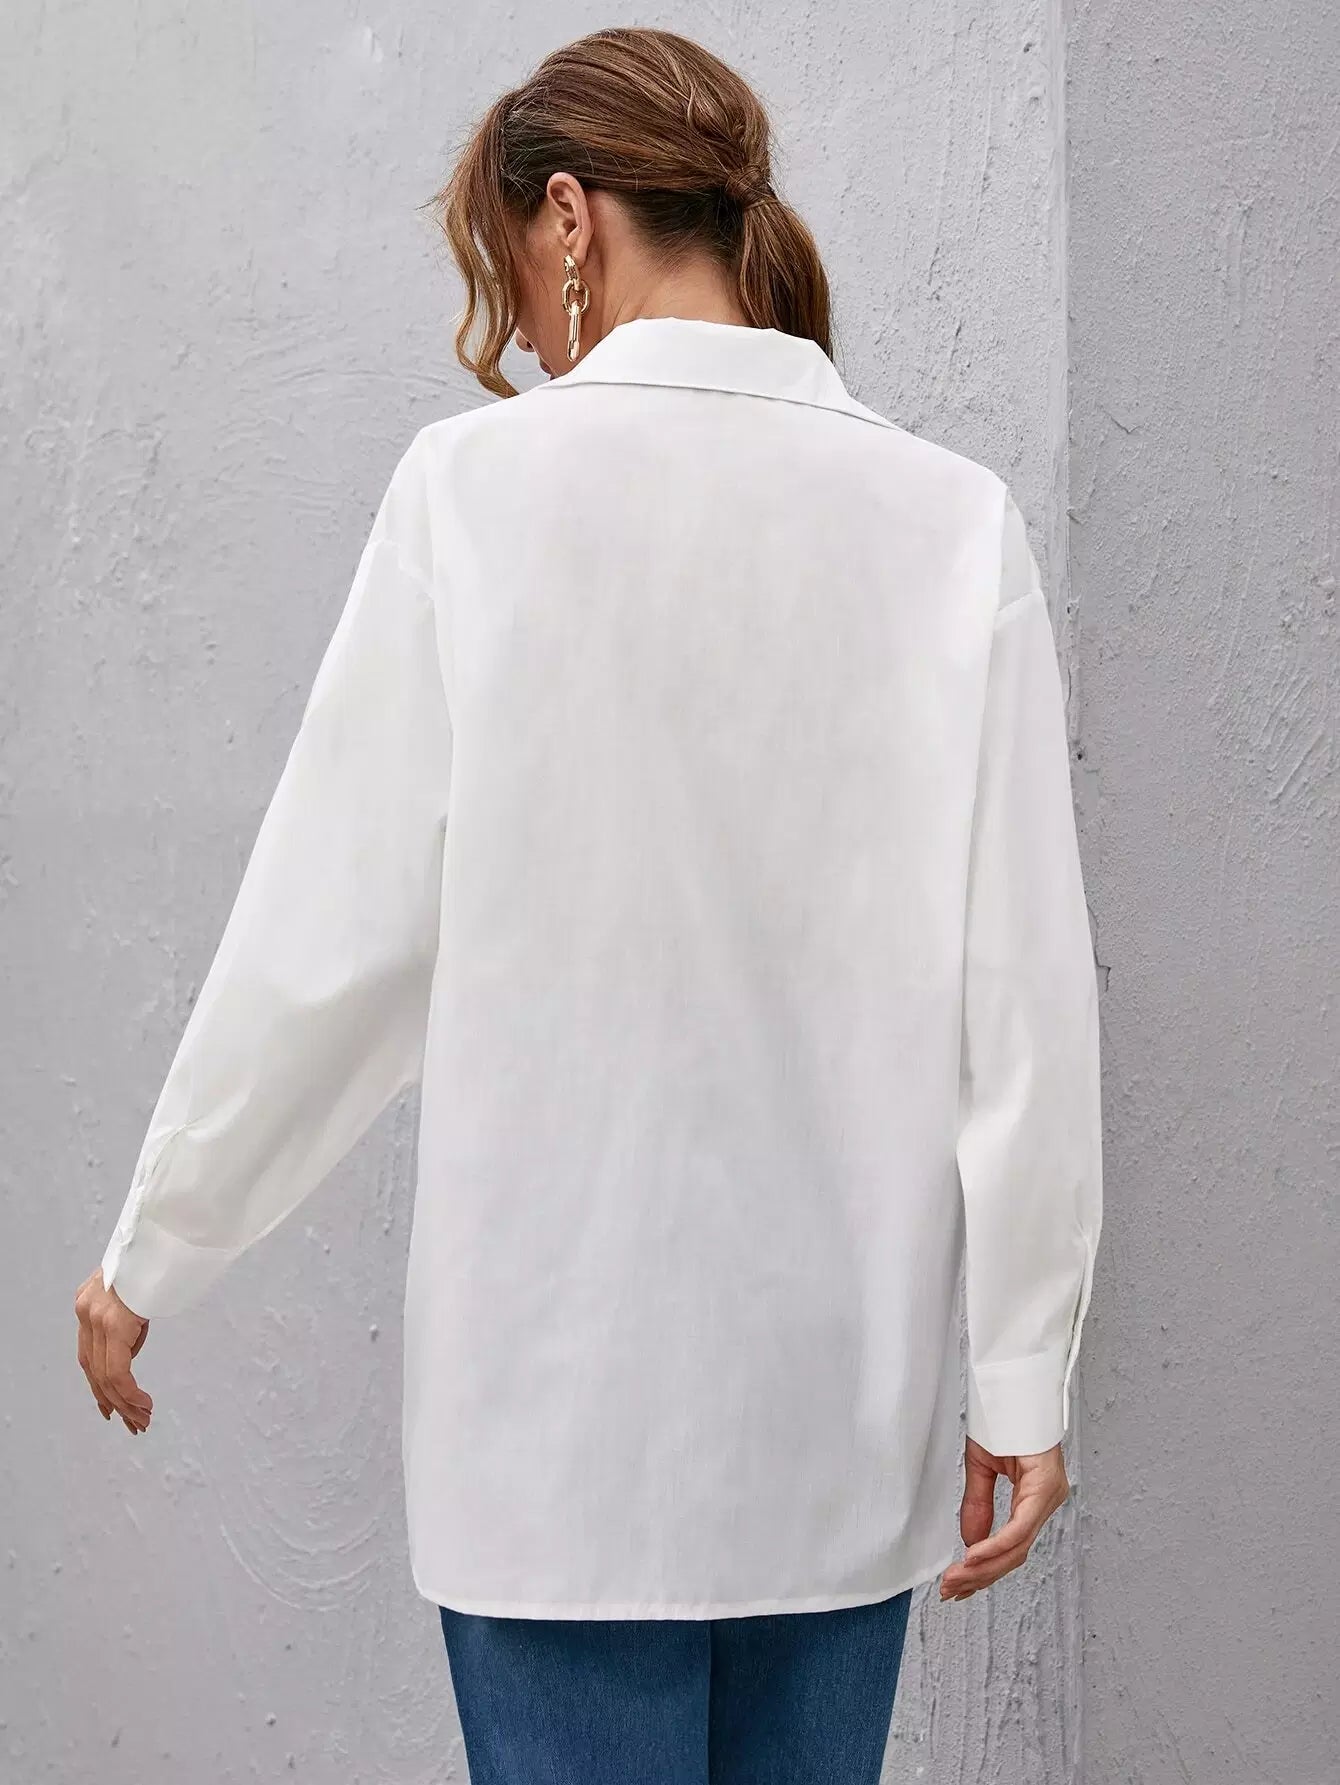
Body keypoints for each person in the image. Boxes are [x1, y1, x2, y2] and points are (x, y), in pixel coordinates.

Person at [74, 26, 1102, 1785]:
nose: (533, 335)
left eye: (515, 272)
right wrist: (1021, 1376)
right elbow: (1019, 1001)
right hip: (832, 1429)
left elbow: (334, 941)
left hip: (551, 1434)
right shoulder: (952, 523)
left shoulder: (472, 498)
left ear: (570, 215)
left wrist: (159, 1241)